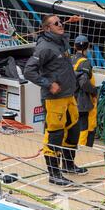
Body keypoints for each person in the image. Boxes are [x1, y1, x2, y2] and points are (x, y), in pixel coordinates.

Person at [24, 15, 87, 187]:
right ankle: (54, 174)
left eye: (61, 21)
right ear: (47, 28)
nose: (61, 25)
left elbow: (63, 65)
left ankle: (68, 165)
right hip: (54, 100)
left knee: (74, 129)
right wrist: (48, 84)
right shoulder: (44, 47)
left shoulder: (61, 41)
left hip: (69, 95)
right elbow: (29, 71)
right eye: (56, 23)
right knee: (55, 135)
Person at [72, 35, 98, 147]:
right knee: (86, 128)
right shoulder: (85, 62)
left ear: (74, 46)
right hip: (83, 102)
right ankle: (84, 151)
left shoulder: (70, 60)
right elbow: (83, 83)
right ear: (87, 47)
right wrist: (94, 91)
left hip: (71, 100)